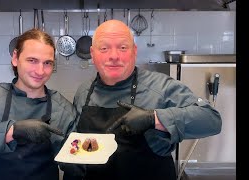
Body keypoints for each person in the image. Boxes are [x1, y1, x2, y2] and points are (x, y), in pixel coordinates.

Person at [62, 19, 222, 180]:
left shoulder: (161, 87)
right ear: (92, 53)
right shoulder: (84, 91)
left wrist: (154, 118)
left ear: (134, 51)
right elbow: (78, 146)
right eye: (104, 48)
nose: (114, 56)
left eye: (123, 47)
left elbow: (211, 120)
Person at [0, 28, 77, 180]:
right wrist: (12, 131)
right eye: (32, 60)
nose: (40, 71)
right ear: (15, 58)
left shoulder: (63, 110)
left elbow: (74, 164)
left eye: (47, 63)